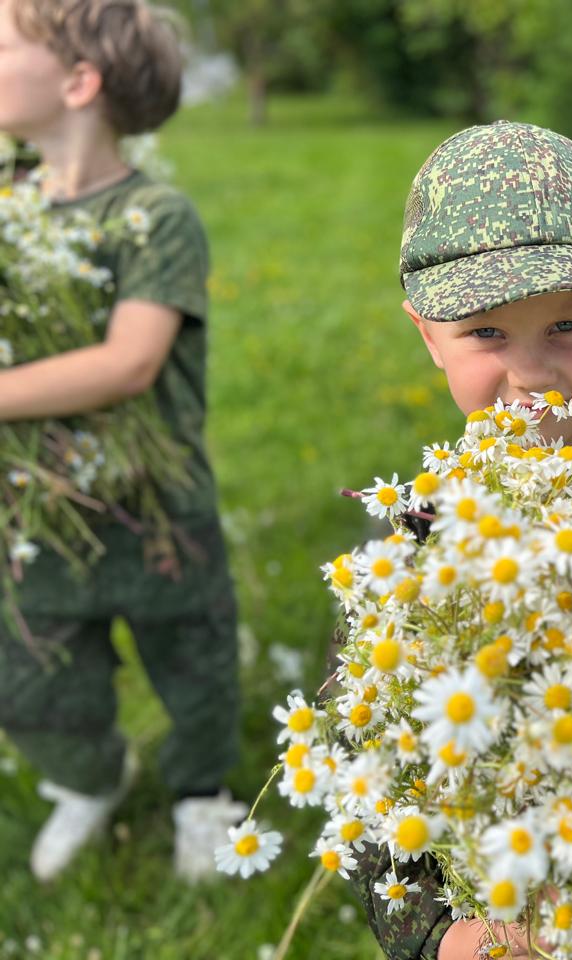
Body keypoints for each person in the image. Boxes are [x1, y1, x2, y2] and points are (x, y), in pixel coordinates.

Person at [346, 120, 572, 958]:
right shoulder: (410, 555)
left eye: (568, 328)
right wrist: (461, 942)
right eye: (486, 333)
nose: (531, 375)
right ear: (428, 334)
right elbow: (369, 795)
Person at [0, 0, 242, 883]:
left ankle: (202, 795)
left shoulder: (154, 213)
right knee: (34, 674)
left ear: (78, 82)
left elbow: (130, 363)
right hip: (39, 508)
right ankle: (90, 778)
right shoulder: (8, 202)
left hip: (155, 502)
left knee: (194, 661)